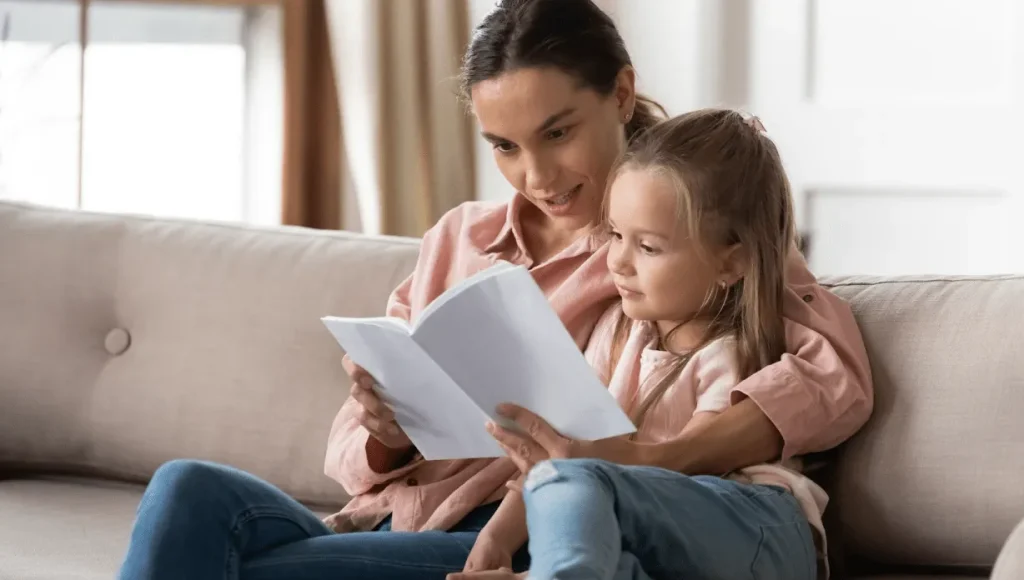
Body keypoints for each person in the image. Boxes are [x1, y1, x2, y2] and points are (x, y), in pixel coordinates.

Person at [116, 1, 871, 579]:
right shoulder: (459, 239)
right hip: (386, 516)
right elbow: (348, 453)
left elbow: (827, 370)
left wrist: (648, 457)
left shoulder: (680, 236)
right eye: (505, 147)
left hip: (504, 530)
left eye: (557, 133)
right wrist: (387, 427)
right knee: (187, 491)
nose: (536, 176)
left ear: (621, 93)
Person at [449, 109, 831, 580]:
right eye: (614, 235)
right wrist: (497, 540)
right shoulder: (614, 333)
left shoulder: (734, 352)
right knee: (572, 488)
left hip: (741, 519)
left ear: (732, 264)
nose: (618, 262)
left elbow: (683, 472)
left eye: (647, 247)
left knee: (582, 481)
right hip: (648, 534)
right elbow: (562, 462)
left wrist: (572, 475)